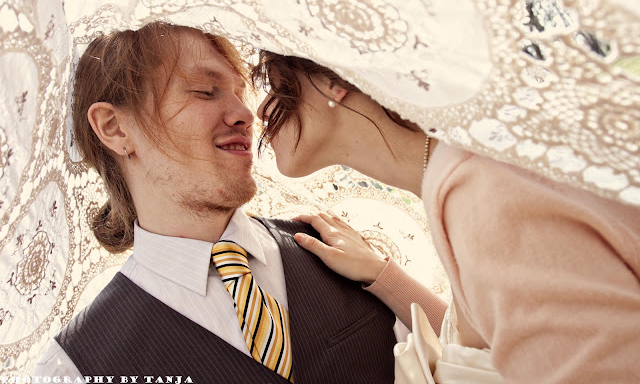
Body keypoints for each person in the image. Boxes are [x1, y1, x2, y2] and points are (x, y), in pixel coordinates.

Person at [34, 22, 399, 383]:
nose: (247, 115)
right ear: (113, 127)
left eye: (241, 93)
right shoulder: (74, 368)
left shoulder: (341, 250)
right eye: (206, 91)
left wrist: (388, 279)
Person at [251, 51, 640, 383]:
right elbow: (491, 350)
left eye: (275, 83)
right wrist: (382, 276)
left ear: (336, 76)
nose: (261, 109)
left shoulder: (483, 193)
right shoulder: (466, 175)